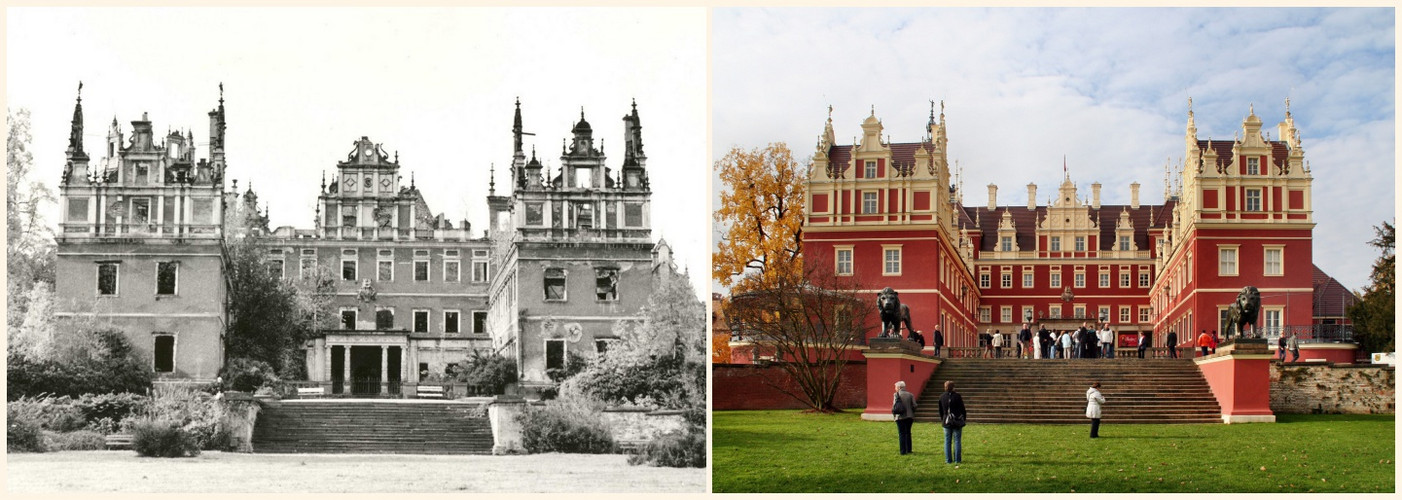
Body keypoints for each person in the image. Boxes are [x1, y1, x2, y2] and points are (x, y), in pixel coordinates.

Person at [938, 380, 966, 464]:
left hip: (946, 420)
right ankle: (957, 460)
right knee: (957, 440)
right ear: (953, 387)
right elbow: (962, 409)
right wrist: (963, 418)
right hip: (956, 420)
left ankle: (948, 460)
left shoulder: (942, 396)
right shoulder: (957, 396)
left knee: (947, 441)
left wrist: (943, 419)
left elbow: (940, 410)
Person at [893, 380, 917, 455]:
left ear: (899, 387)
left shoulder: (896, 395)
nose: (895, 388)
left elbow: (894, 406)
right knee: (908, 433)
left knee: (901, 433)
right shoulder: (910, 395)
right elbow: (915, 405)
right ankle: (909, 449)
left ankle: (903, 451)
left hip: (900, 417)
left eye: (896, 387)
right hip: (909, 416)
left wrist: (894, 416)